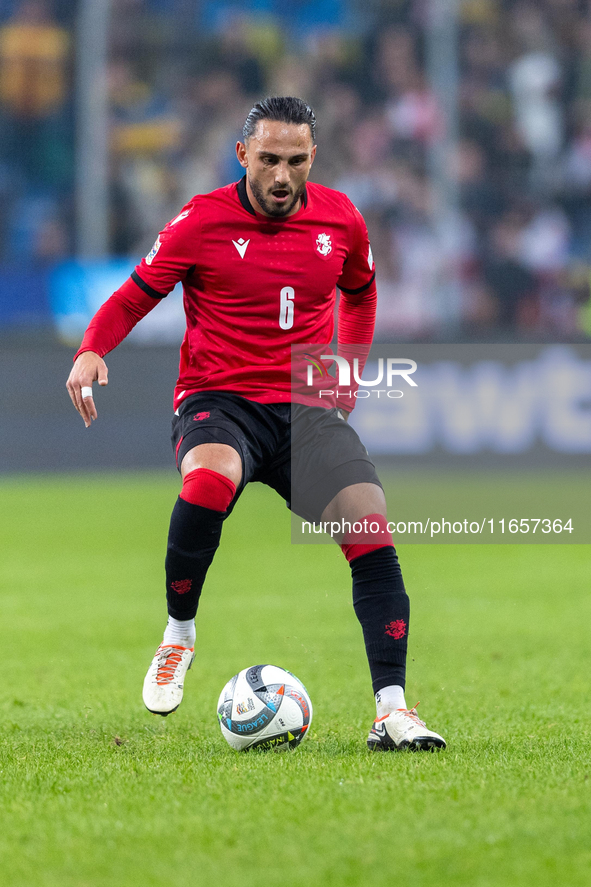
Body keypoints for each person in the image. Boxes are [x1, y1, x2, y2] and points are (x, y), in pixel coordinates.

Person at [66, 96, 445, 751]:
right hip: (219, 399)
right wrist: (92, 348)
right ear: (241, 154)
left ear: (312, 160)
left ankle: (392, 710)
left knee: (371, 531)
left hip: (304, 409)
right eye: (268, 158)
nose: (280, 175)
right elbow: (133, 295)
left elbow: (360, 290)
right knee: (208, 483)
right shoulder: (200, 221)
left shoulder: (341, 220)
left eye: (295, 161)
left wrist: (347, 371)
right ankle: (179, 632)